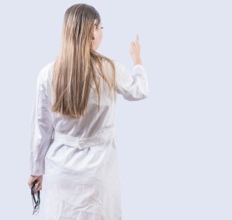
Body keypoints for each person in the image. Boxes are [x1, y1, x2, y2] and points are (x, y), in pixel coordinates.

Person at [27, 3, 149, 220]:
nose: (102, 32)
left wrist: (37, 169)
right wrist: (137, 60)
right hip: (99, 171)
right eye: (101, 27)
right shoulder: (108, 69)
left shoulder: (47, 73)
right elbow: (139, 91)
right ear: (92, 31)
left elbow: (41, 127)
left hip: (61, 170)